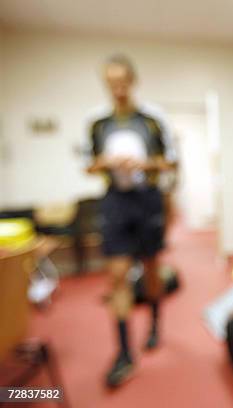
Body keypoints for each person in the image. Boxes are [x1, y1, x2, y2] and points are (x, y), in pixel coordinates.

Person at [85, 54, 177, 388]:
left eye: (122, 80)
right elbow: (88, 164)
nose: (118, 88)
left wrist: (145, 165)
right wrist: (106, 163)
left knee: (152, 270)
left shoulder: (153, 119)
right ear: (106, 85)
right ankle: (124, 352)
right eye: (111, 82)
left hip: (147, 200)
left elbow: (171, 162)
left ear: (132, 80)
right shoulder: (97, 123)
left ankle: (154, 324)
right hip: (115, 202)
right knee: (117, 275)